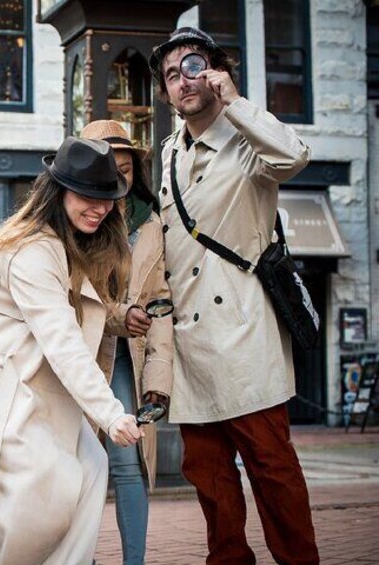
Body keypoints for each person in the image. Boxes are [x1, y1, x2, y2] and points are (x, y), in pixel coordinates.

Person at [0, 137, 142, 565]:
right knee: (16, 505)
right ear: (58, 192)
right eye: (87, 195)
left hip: (25, 381)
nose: (100, 207)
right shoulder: (33, 249)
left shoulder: (65, 242)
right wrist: (111, 413)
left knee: (88, 467)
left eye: (107, 197)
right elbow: (62, 340)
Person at [149, 27, 319, 564]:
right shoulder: (169, 150)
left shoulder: (249, 138)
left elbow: (294, 157)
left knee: (273, 469)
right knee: (211, 481)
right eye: (172, 76)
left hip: (245, 335)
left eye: (192, 66)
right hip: (192, 346)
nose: (182, 82)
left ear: (217, 70)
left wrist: (236, 101)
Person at [81, 120, 173, 565]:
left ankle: (132, 561)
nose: (118, 179)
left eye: (126, 169)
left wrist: (158, 380)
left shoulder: (152, 224)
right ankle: (80, 557)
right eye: (107, 169)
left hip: (128, 360)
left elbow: (160, 305)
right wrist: (120, 315)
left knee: (128, 463)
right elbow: (73, 298)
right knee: (78, 462)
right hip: (80, 351)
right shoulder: (76, 219)